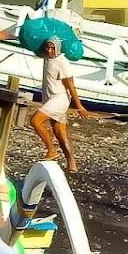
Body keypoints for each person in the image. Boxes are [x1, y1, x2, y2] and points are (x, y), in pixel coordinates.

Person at [29, 36, 87, 172]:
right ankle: (72, 164)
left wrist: (78, 106)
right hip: (50, 98)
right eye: (48, 47)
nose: (49, 50)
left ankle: (51, 150)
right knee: (60, 132)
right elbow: (34, 48)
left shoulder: (62, 62)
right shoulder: (46, 57)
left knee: (35, 121)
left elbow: (70, 85)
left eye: (52, 48)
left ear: (58, 49)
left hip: (59, 99)